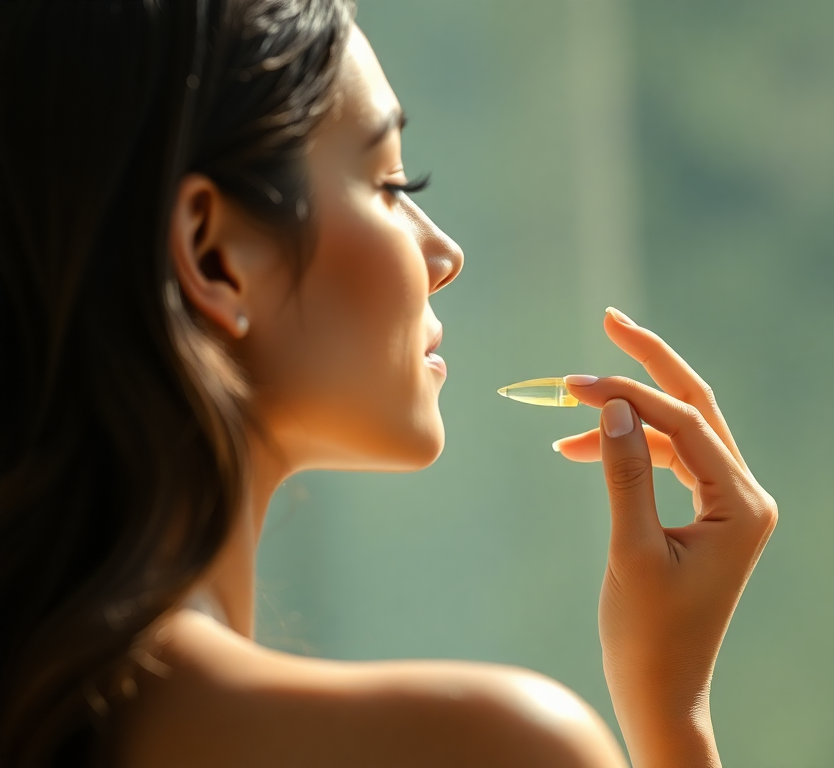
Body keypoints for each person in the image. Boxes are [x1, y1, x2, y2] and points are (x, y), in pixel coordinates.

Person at [0, 2, 778, 766]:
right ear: (213, 255)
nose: (444, 255)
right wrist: (671, 707)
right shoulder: (498, 749)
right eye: (393, 185)